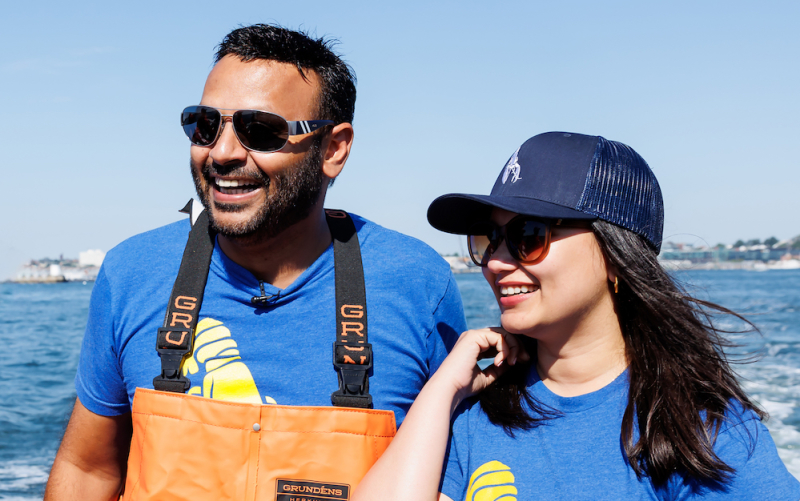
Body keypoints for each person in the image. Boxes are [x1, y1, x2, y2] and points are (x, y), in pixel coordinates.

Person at [44, 24, 466, 501]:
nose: (221, 153)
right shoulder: (132, 272)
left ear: (334, 148)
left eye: (259, 131)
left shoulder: (418, 285)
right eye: (205, 125)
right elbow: (88, 470)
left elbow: (450, 476)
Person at [353, 132, 800, 500]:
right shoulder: (477, 414)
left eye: (528, 235)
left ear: (615, 256)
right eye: (489, 239)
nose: (496, 261)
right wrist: (443, 388)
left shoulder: (701, 430)